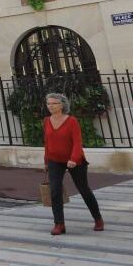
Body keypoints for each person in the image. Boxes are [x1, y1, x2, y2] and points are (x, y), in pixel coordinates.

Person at [42, 93, 103, 235]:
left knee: (84, 190)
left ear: (62, 105)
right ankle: (59, 224)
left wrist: (74, 159)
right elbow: (47, 143)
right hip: (54, 160)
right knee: (55, 191)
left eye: (54, 103)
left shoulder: (72, 121)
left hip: (75, 160)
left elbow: (77, 142)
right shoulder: (46, 121)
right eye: (48, 103)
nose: (50, 106)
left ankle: (98, 218)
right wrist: (46, 161)